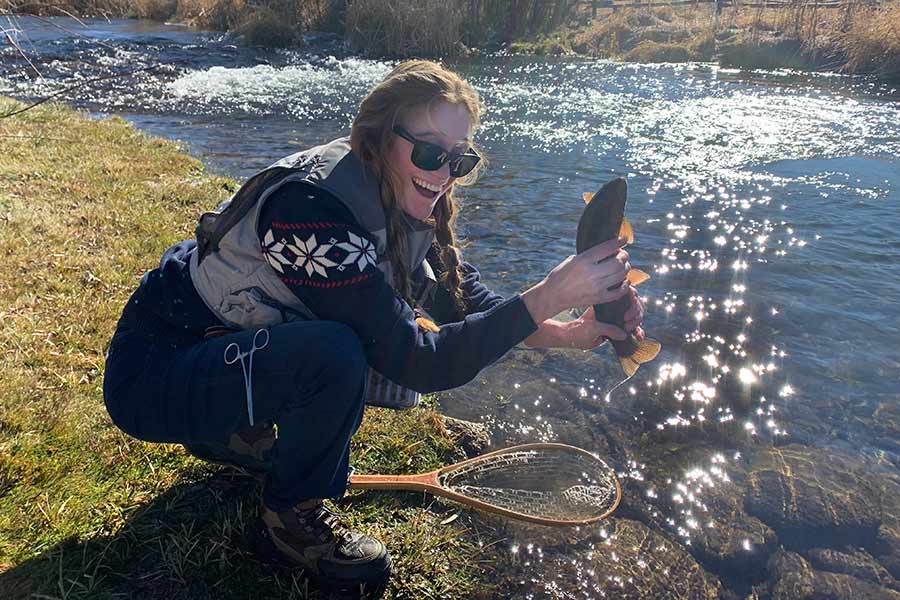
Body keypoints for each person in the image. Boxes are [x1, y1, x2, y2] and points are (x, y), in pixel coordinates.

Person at [102, 60, 644, 596]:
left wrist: (571, 330)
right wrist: (550, 292)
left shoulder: (402, 197)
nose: (442, 172)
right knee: (337, 354)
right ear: (381, 137)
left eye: (460, 159)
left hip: (222, 354)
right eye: (430, 152)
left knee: (342, 345)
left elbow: (469, 305)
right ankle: (289, 520)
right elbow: (420, 360)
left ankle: (233, 432)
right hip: (153, 375)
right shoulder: (308, 211)